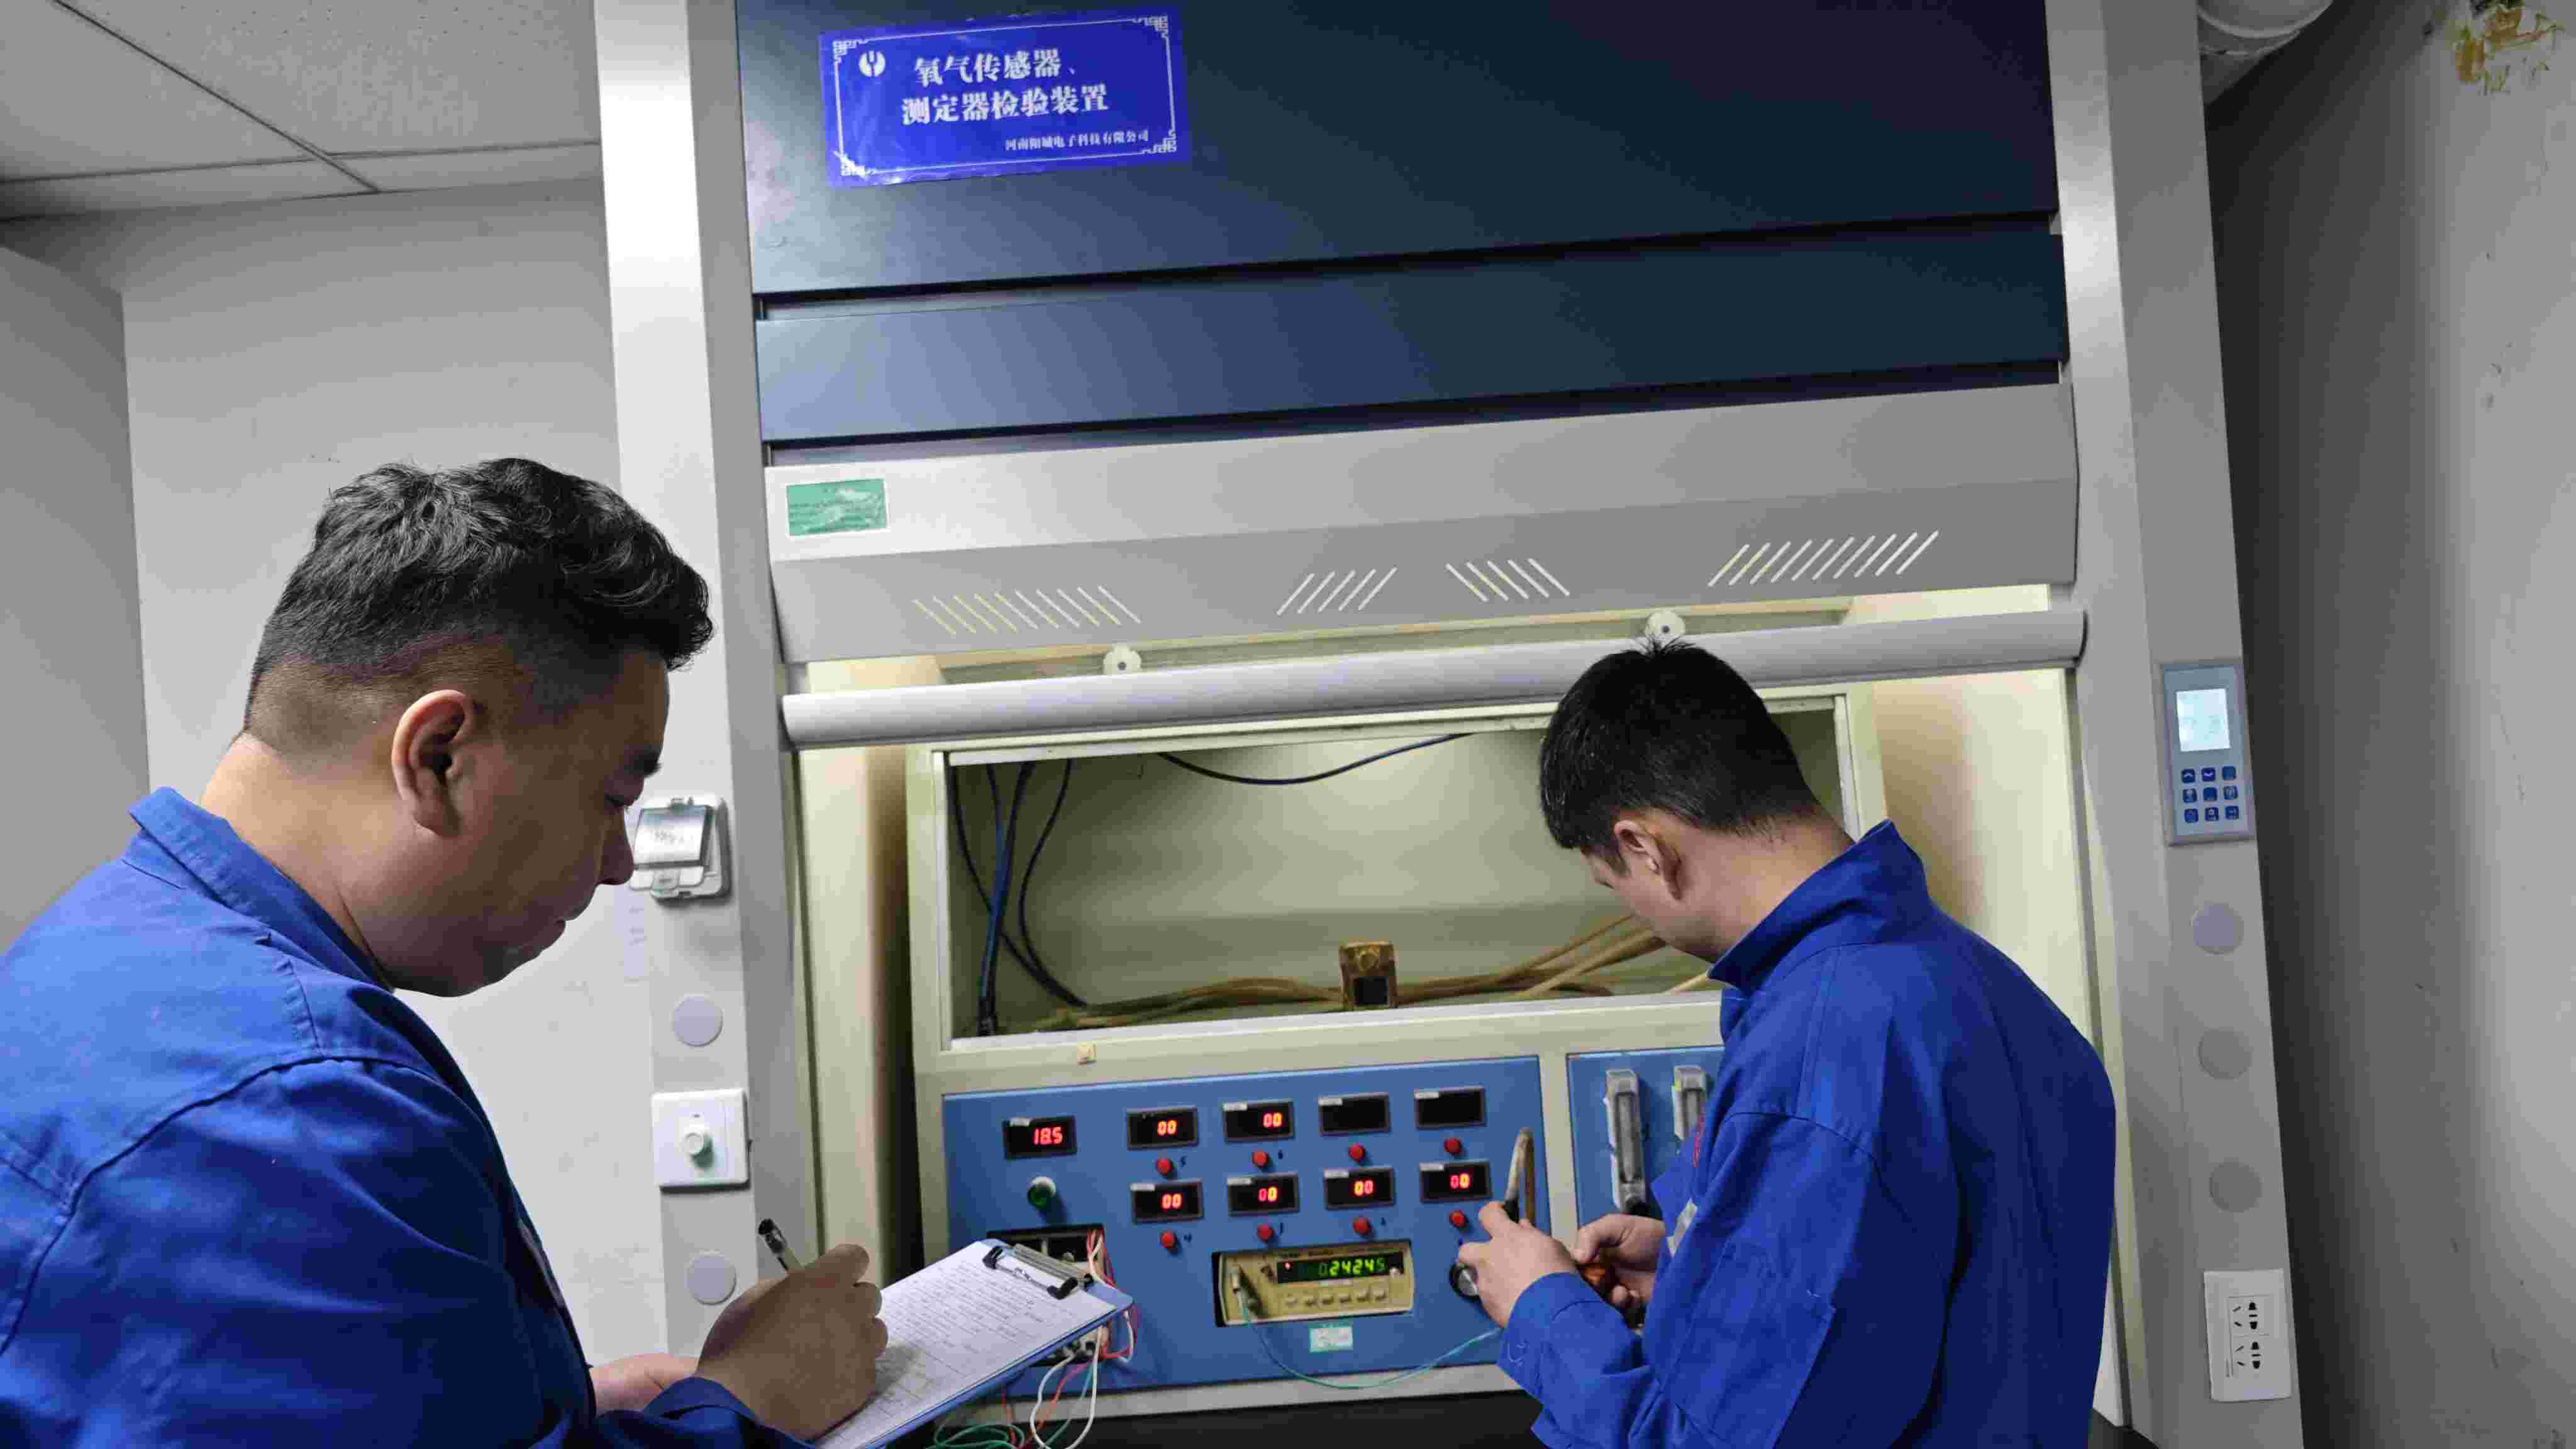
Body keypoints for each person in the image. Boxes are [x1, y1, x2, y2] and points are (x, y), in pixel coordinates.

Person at [0, 460, 886, 1446]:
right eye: (612, 799)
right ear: (438, 759)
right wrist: (751, 1404)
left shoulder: (91, 955)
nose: (620, 863)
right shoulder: (293, 1108)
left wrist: (555, 1404)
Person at [1454, 638, 2116, 1446]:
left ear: (1643, 848)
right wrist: (1696, 1267)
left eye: (1614, 886)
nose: (1637, 917)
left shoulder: (1820, 1051)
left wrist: (1544, 1309)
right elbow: (1916, 1303)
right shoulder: (1985, 986)